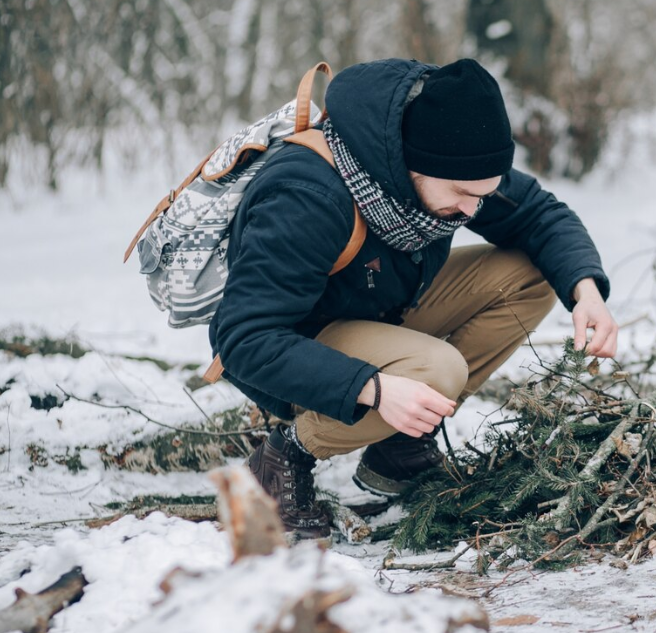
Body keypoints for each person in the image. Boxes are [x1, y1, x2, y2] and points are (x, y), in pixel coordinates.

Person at [210, 57, 617, 538]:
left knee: (532, 272)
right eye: (464, 194)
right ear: (411, 165)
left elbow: (537, 214)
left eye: (482, 196)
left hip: (380, 306)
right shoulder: (306, 195)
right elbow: (243, 338)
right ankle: (286, 457)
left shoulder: (456, 161)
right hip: (298, 346)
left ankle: (400, 445)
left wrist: (585, 291)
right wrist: (374, 389)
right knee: (438, 370)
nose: (473, 210)